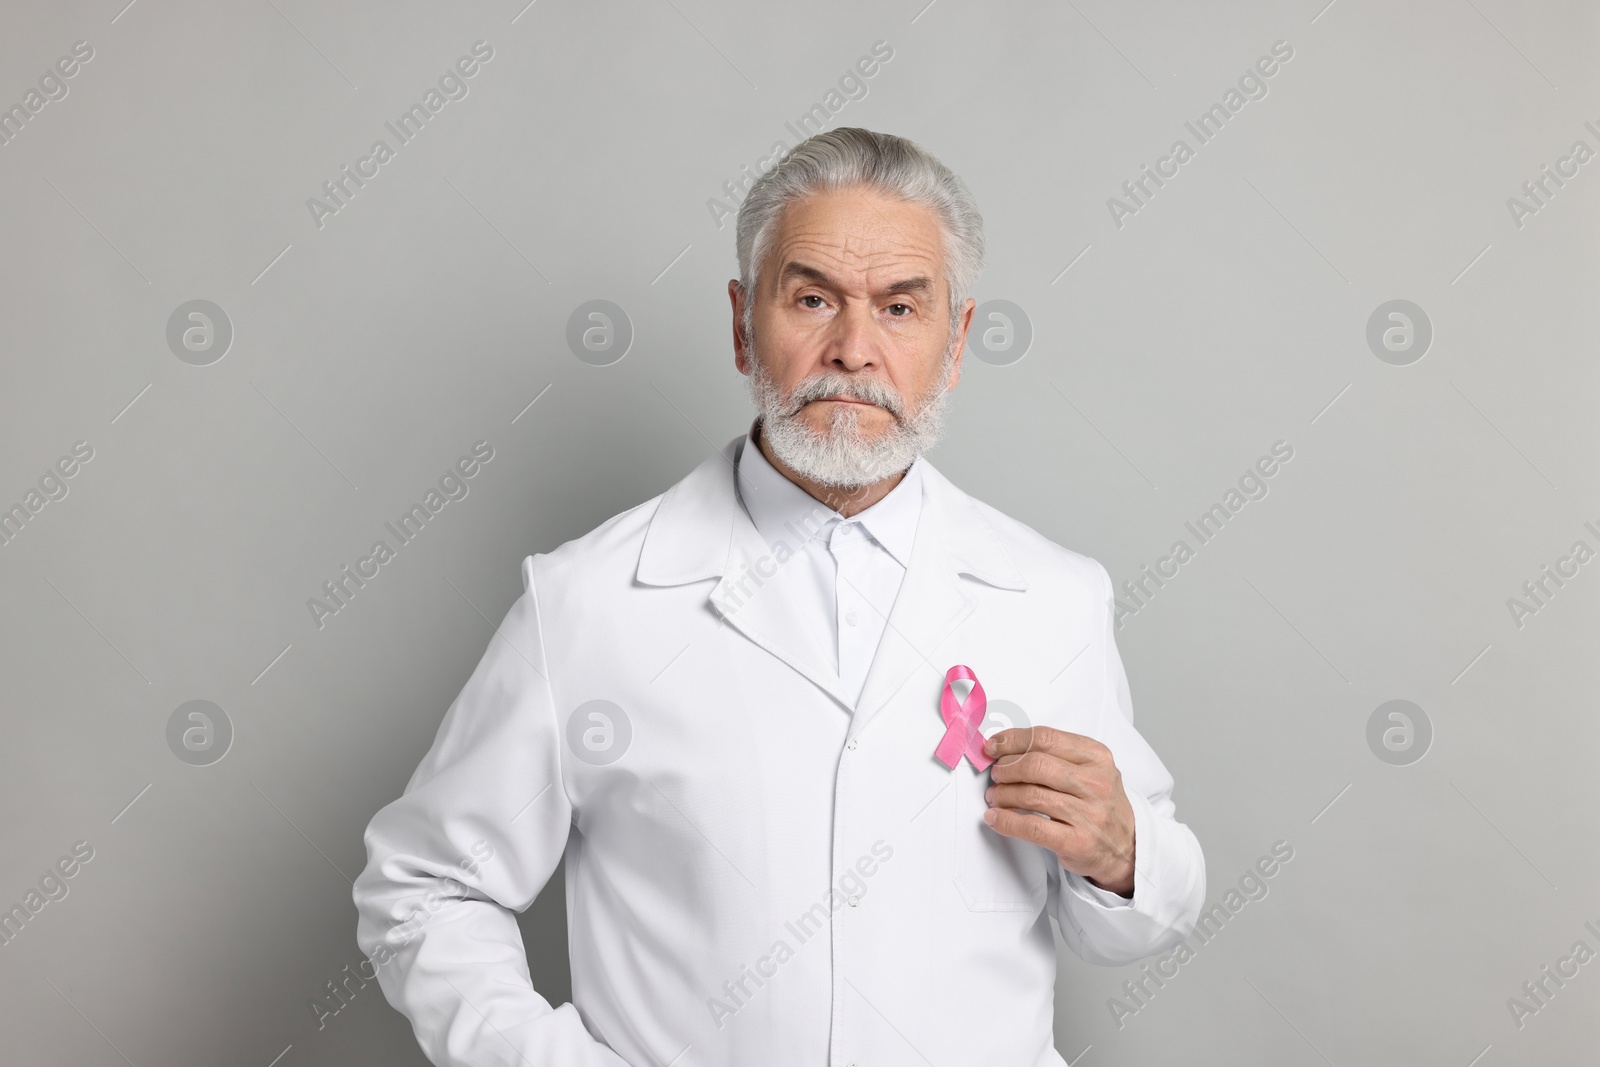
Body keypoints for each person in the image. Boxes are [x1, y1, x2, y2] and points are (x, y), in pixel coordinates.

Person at [352, 126, 1205, 1066]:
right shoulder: (588, 603)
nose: (854, 349)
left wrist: (1124, 857)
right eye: (812, 299)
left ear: (955, 343)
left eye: (900, 308)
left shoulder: (1050, 597)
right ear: (739, 323)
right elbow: (424, 889)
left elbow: (1136, 919)